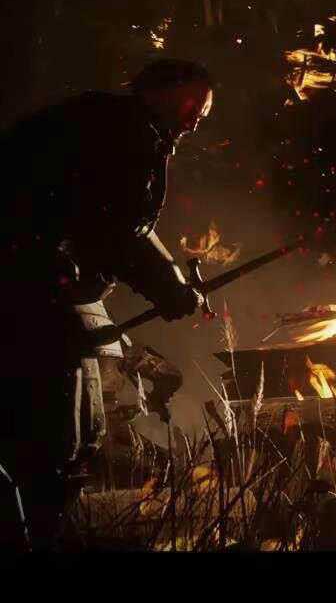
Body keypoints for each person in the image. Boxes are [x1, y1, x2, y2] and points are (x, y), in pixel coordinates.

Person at [0, 59, 215, 550]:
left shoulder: (120, 126)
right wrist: (168, 287)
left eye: (203, 113)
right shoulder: (117, 132)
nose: (196, 120)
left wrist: (171, 280)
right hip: (31, 296)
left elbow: (129, 227)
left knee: (69, 436)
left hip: (46, 293)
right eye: (192, 106)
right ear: (160, 91)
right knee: (59, 441)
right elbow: (113, 229)